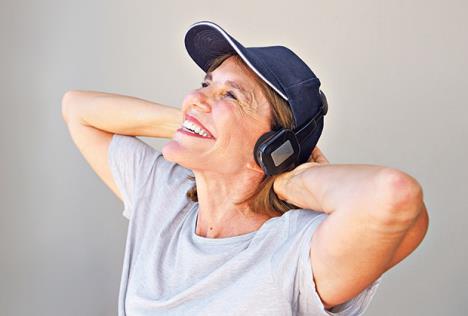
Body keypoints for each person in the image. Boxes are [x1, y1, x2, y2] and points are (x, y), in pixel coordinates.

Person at [62, 21, 429, 316]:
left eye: (231, 95)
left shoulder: (296, 251)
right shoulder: (163, 195)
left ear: (275, 147)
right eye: (206, 84)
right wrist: (193, 122)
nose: (195, 97)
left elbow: (393, 195)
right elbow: (77, 109)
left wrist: (293, 180)